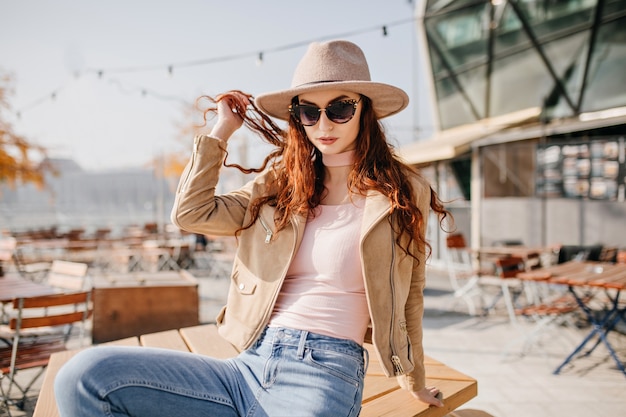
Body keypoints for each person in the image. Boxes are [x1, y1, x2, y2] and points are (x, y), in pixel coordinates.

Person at [55, 40, 450, 416]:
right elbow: (192, 213)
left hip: (325, 372)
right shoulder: (283, 183)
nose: (323, 122)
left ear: (365, 110)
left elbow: (410, 292)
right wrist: (222, 129)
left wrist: (412, 380)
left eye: (340, 108)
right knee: (84, 377)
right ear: (298, 118)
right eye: (309, 112)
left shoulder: (401, 190)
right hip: (247, 365)